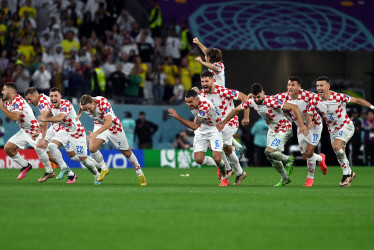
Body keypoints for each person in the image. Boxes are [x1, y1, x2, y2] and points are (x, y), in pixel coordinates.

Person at [218, 83, 309, 186]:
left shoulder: (271, 101)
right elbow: (236, 109)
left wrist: (301, 125)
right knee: (271, 157)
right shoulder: (252, 101)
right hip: (272, 130)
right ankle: (285, 178)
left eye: (259, 97)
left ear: (263, 93)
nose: (257, 99)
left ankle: (288, 160)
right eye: (255, 97)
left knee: (268, 152)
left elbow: (294, 107)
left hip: (283, 129)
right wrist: (223, 122)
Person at [308, 76, 374, 186]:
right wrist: (310, 121)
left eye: (321, 85)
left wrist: (372, 107)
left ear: (328, 87)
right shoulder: (315, 99)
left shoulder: (338, 96)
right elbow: (308, 113)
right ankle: (350, 173)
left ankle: (346, 175)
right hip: (333, 130)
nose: (319, 88)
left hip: (346, 125)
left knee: (336, 146)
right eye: (317, 86)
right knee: (340, 153)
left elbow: (357, 100)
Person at [193, 37, 246, 158]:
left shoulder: (219, 65)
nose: (205, 56)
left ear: (209, 58)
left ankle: (227, 167)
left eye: (207, 56)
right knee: (215, 125)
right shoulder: (211, 61)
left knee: (216, 131)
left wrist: (201, 62)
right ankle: (238, 148)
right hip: (213, 98)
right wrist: (199, 43)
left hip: (221, 98)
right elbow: (207, 52)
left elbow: (214, 68)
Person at [77, 95, 147, 185]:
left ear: (93, 102)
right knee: (92, 148)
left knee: (126, 152)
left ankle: (140, 173)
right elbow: (81, 107)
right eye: (85, 109)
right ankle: (104, 168)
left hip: (113, 126)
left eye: (89, 108)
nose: (88, 111)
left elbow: (109, 122)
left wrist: (95, 133)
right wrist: (79, 114)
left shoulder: (103, 103)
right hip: (99, 124)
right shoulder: (84, 104)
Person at [196, 70, 249, 185]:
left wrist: (246, 117)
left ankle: (228, 169)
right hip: (219, 125)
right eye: (202, 81)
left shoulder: (223, 91)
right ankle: (240, 173)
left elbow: (245, 98)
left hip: (230, 123)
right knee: (228, 149)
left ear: (212, 81)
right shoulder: (202, 94)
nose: (204, 83)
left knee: (214, 145)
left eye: (206, 81)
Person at [273, 77, 327, 187]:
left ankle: (310, 178)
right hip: (300, 127)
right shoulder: (284, 96)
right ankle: (321, 158)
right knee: (305, 156)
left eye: (293, 85)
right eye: (288, 85)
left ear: (299, 87)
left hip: (315, 125)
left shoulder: (308, 95)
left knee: (309, 152)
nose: (290, 87)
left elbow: (321, 99)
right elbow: (268, 99)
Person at [39, 87, 100, 184]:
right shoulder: (50, 105)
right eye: (51, 96)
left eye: (56, 96)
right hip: (65, 131)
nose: (53, 98)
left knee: (83, 160)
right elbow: (49, 115)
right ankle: (64, 168)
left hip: (77, 133)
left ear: (60, 97)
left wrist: (45, 119)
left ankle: (97, 174)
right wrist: (43, 121)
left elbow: (60, 118)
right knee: (51, 145)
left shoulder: (65, 104)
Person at [168, 90, 228, 186]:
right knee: (198, 160)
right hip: (201, 129)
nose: (188, 104)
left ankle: (224, 178)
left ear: (198, 99)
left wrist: (178, 117)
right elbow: (195, 91)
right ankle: (217, 165)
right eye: (186, 102)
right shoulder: (194, 100)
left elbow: (194, 126)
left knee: (217, 158)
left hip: (214, 129)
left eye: (190, 102)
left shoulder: (205, 106)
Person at [0, 82, 55, 182]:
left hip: (34, 130)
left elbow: (15, 117)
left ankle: (65, 170)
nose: (2, 92)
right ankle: (26, 166)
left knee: (49, 156)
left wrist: (2, 108)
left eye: (4, 90)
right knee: (8, 148)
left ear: (10, 91)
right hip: (24, 130)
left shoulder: (18, 100)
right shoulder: (8, 102)